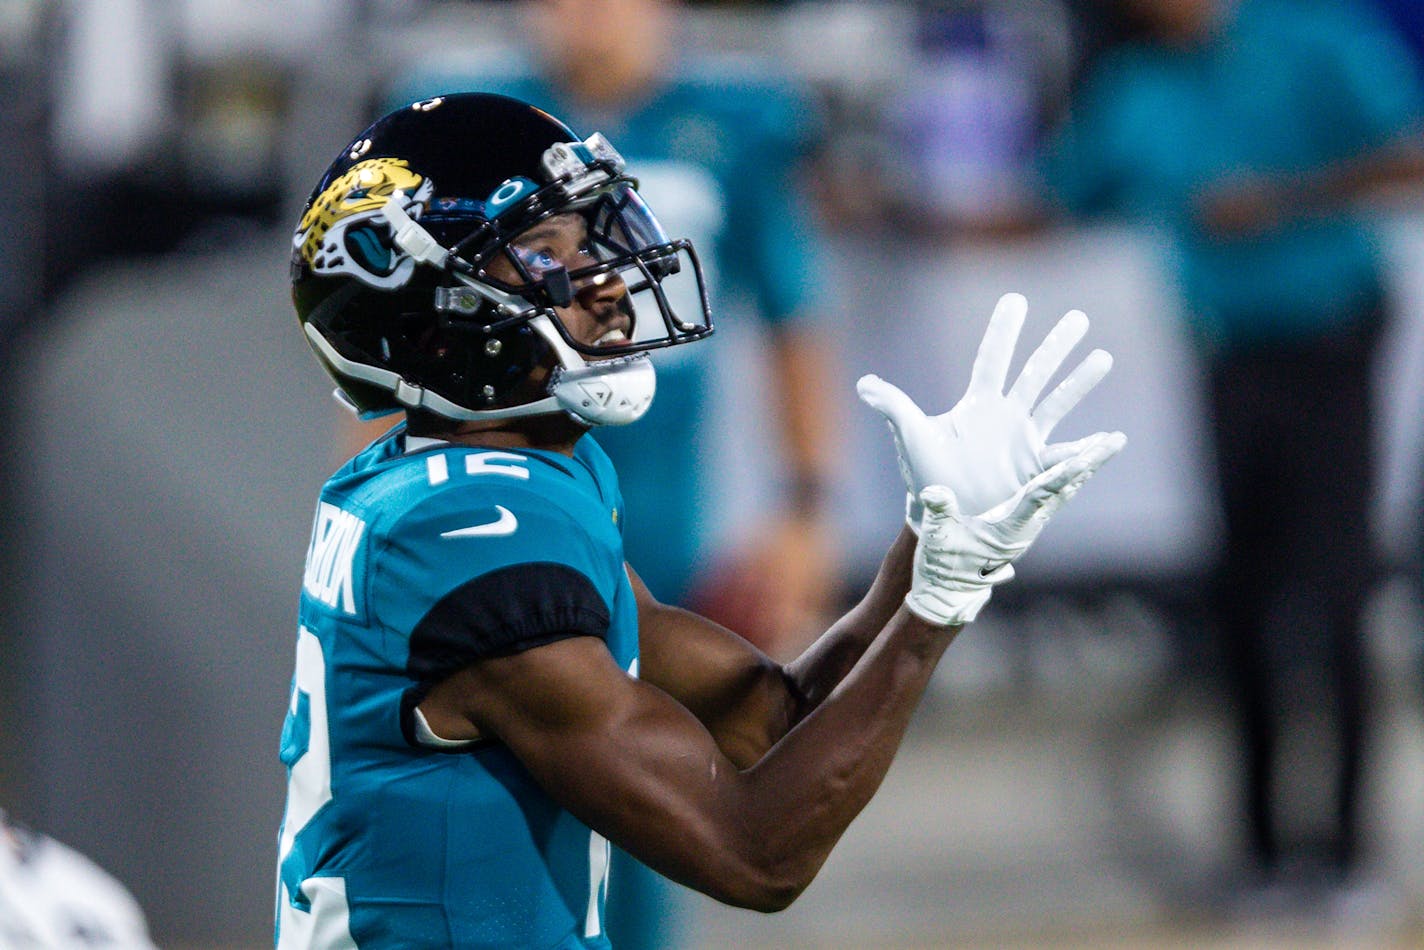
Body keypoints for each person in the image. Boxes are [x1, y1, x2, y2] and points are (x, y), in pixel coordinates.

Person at [275, 92, 1124, 948]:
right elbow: (754, 855)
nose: (604, 284)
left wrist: (930, 541)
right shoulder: (472, 536)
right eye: (541, 252)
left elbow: (767, 722)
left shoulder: (477, 485)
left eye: (589, 238)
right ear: (430, 315)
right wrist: (940, 603)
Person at [1036, 0, 1424, 907]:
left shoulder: (1318, 41)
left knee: (1334, 593)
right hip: (1227, 354)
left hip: (1331, 339)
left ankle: (1346, 851)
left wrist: (1286, 198)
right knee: (1243, 598)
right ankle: (1259, 850)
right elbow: (1057, 196)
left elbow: (1409, 153)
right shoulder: (1133, 84)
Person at [375, 0, 840, 658]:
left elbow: (793, 320)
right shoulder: (460, 121)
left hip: (680, 519)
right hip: (499, 500)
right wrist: (381, 500)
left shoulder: (737, 121)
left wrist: (805, 511)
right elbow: (389, 340)